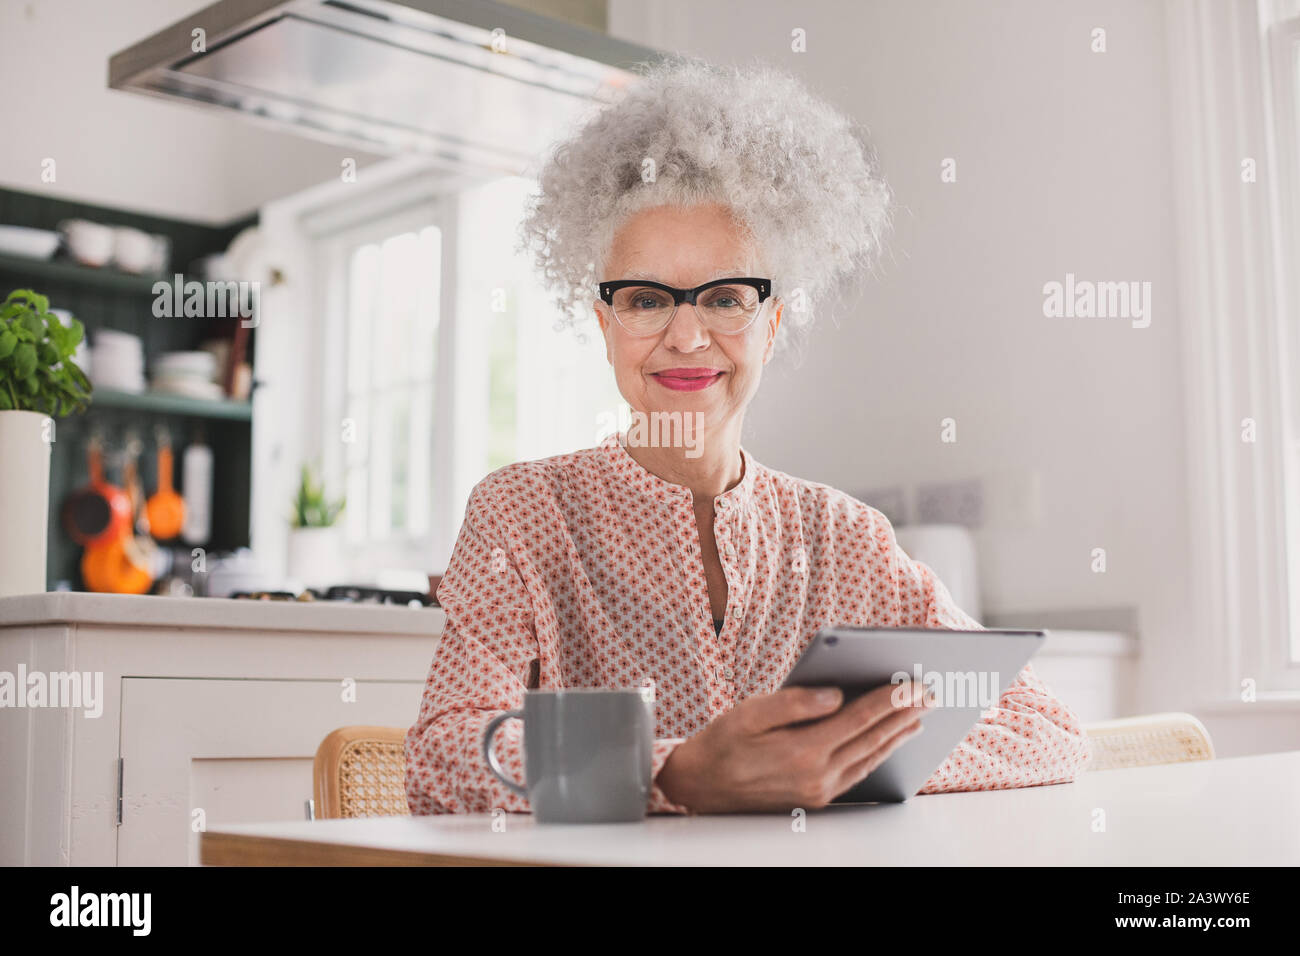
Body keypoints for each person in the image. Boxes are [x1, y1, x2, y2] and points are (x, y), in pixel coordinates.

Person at [405, 54, 1091, 815]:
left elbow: (1047, 728)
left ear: (773, 320)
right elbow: (443, 758)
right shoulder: (523, 514)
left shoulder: (849, 539)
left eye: (727, 297)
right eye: (644, 300)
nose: (688, 336)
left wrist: (832, 767)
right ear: (604, 324)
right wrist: (669, 774)